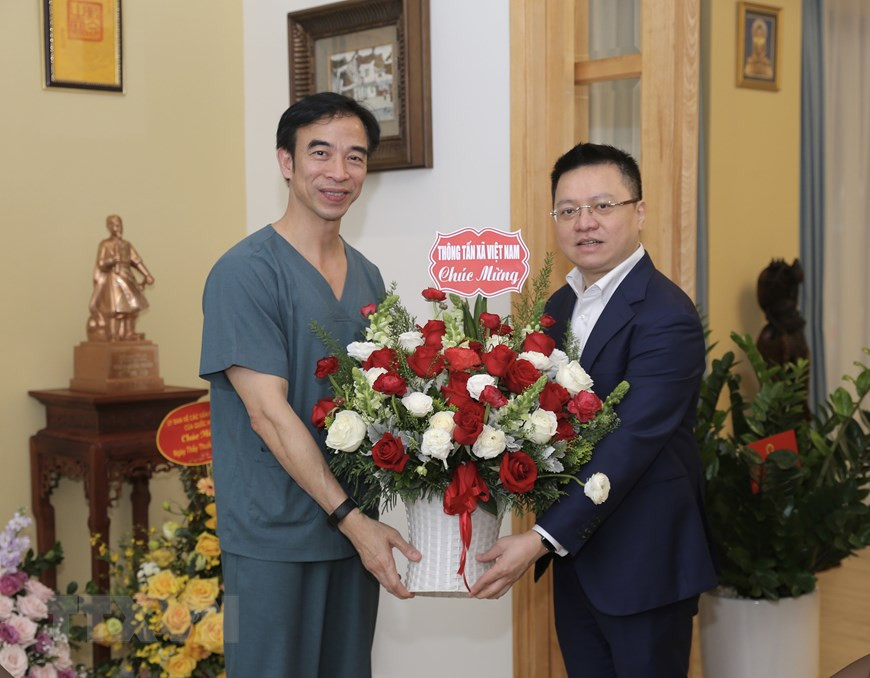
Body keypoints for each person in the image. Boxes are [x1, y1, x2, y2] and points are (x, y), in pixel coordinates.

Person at [469, 143, 718, 676]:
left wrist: (538, 539)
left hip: (644, 562)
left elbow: (630, 443)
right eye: (568, 210)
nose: (585, 223)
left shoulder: (666, 314)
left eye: (603, 206)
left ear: (640, 211)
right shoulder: (557, 308)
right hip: (576, 556)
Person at [199, 92, 420, 678]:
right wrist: (352, 517)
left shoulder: (368, 275)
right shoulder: (245, 272)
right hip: (272, 535)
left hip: (353, 532)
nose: (338, 173)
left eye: (355, 157)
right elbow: (267, 413)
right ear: (286, 162)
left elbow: (386, 402)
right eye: (320, 153)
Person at [87, 214, 154, 341]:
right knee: (117, 310)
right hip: (113, 280)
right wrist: (112, 260)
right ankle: (113, 335)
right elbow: (101, 264)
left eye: (118, 225)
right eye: (113, 225)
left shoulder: (126, 245)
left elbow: (137, 261)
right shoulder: (105, 244)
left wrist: (147, 275)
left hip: (127, 277)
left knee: (132, 307)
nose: (116, 228)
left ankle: (128, 333)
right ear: (109, 227)